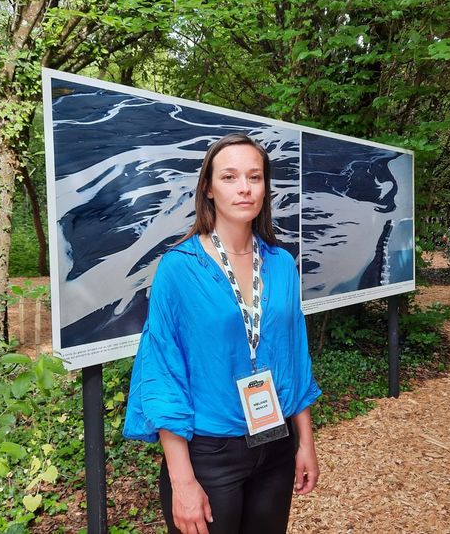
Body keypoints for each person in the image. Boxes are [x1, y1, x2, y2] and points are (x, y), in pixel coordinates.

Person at [123, 133, 321, 534]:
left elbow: (294, 357)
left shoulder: (281, 264)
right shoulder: (179, 268)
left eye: (255, 177)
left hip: (275, 445)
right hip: (210, 454)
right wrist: (182, 481)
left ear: (266, 187)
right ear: (208, 189)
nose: (244, 188)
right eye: (229, 177)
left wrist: (306, 442)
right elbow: (162, 372)